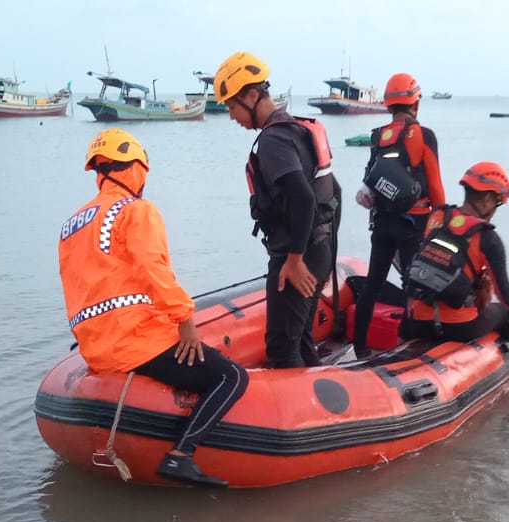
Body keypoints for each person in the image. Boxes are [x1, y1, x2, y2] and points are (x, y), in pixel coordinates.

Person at [58, 128, 248, 489]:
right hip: (135, 343)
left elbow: (82, 285)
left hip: (96, 347)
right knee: (232, 377)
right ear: (136, 168)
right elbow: (154, 270)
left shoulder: (72, 225)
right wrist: (184, 318)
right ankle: (181, 455)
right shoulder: (136, 211)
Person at [213, 51, 341, 369]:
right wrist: (323, 249)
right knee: (300, 340)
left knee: (282, 348)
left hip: (297, 256)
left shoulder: (273, 142)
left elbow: (303, 198)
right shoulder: (297, 130)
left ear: (253, 95)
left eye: (232, 106)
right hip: (318, 246)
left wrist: (296, 259)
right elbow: (333, 193)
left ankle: (304, 415)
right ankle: (317, 403)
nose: (231, 116)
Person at [399, 161, 509, 368]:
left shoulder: (437, 216)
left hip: (415, 323)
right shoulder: (488, 239)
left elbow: (462, 228)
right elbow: (507, 297)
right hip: (458, 327)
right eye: (497, 203)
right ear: (487, 198)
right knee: (503, 314)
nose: (496, 209)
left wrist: (508, 188)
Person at [351, 72, 447, 356]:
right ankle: (410, 344)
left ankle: (359, 347)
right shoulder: (424, 136)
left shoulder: (378, 137)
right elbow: (436, 186)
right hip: (413, 223)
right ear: (415, 103)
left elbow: (370, 179)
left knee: (373, 283)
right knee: (412, 284)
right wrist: (441, 226)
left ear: (388, 105)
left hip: (382, 222)